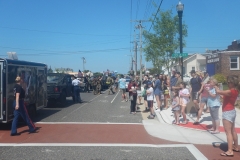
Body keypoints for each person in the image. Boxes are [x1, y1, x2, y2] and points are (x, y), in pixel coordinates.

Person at [215, 75, 240, 157]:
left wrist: (215, 86)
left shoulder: (231, 91)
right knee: (233, 130)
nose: (228, 83)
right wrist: (219, 93)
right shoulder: (235, 91)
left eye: (229, 82)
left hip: (227, 112)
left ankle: (230, 151)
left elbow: (219, 92)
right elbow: (224, 96)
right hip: (232, 111)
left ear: (233, 83)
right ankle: (236, 147)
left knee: (228, 132)